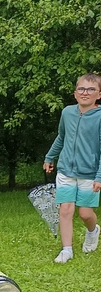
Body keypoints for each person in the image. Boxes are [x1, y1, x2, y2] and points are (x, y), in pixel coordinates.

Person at [43, 73, 101, 263]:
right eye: (81, 88)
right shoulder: (67, 113)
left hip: (89, 174)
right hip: (66, 170)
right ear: (75, 93)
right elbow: (61, 137)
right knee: (66, 210)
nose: (85, 92)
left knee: (85, 213)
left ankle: (93, 231)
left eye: (91, 89)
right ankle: (66, 250)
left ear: (99, 94)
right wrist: (49, 157)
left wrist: (99, 176)